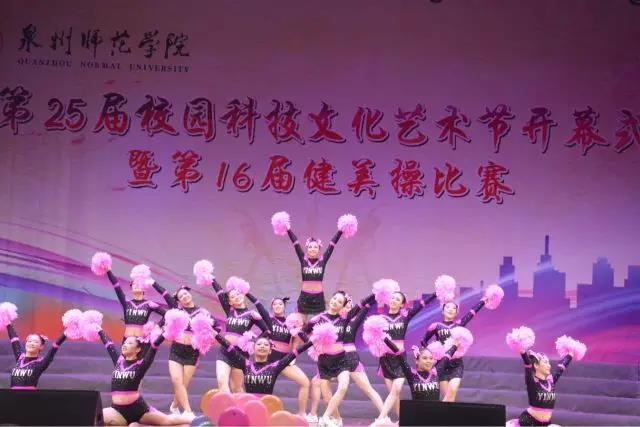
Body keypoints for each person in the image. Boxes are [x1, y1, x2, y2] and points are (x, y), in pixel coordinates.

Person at [98, 328, 193, 426]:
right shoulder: (118, 361)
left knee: (167, 421)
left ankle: (193, 419)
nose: (125, 345)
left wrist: (164, 335)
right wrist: (100, 331)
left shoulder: (141, 364)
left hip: (138, 410)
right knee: (98, 417)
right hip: (118, 410)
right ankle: (134, 424)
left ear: (138, 349)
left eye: (130, 343)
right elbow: (109, 345)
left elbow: (154, 347)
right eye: (125, 343)